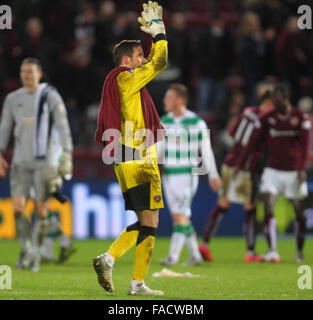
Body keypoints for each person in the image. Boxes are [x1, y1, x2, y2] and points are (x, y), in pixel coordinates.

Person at [92, 1, 168, 296]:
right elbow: (159, 62)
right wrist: (159, 31)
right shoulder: (125, 78)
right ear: (126, 60)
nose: (143, 59)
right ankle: (112, 261)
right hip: (136, 156)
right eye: (139, 55)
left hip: (128, 156)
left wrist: (149, 37)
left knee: (147, 220)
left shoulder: (124, 83)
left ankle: (133, 279)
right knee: (150, 220)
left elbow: (150, 61)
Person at [0, 57, 73, 272]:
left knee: (42, 210)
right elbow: (5, 125)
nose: (26, 75)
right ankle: (26, 249)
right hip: (21, 161)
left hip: (44, 163)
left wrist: (67, 154)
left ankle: (37, 256)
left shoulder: (49, 95)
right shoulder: (13, 98)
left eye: (31, 72)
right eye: (23, 72)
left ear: (39, 74)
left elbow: (62, 123)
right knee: (18, 208)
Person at [199, 83, 274, 262]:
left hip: (229, 163)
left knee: (223, 204)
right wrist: (242, 165)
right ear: (270, 102)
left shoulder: (248, 111)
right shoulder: (264, 120)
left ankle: (205, 244)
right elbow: (250, 146)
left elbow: (232, 132)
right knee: (250, 207)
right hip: (244, 167)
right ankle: (250, 252)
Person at [236, 84, 311, 262]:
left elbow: (305, 145)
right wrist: (240, 164)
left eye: (277, 100)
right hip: (273, 170)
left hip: (294, 171)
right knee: (268, 206)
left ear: (286, 97)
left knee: (299, 212)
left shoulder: (300, 118)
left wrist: (301, 169)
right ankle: (272, 250)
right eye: (273, 100)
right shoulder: (267, 118)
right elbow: (253, 141)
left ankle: (299, 252)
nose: (274, 103)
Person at [158, 83, 221, 266]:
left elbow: (206, 150)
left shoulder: (196, 123)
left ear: (180, 100)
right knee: (177, 216)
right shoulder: (164, 121)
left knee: (181, 215)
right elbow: (158, 149)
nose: (165, 100)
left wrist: (213, 174)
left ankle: (174, 257)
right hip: (169, 175)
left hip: (187, 174)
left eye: (169, 97)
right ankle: (193, 255)